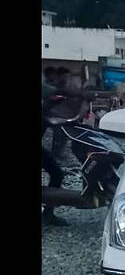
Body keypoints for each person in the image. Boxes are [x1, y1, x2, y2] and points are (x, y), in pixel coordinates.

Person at [42, 67, 69, 226]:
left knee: (57, 173)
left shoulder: (53, 96)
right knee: (56, 173)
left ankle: (49, 213)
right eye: (60, 78)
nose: (62, 81)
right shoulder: (47, 93)